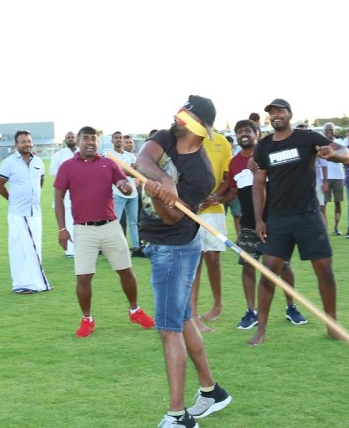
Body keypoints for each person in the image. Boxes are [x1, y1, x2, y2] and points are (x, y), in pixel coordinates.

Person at [136, 95, 232, 427]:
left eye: (184, 114)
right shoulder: (167, 136)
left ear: (197, 125)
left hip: (174, 250)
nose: (176, 117)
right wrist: (164, 182)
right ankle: (211, 391)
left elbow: (174, 218)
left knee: (169, 329)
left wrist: (156, 197)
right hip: (157, 245)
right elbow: (142, 159)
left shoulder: (202, 173)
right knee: (184, 319)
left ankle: (177, 415)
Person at [249, 98, 349, 347]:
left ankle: (332, 326)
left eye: (280, 111)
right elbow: (259, 183)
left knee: (325, 271)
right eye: (272, 112)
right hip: (278, 219)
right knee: (268, 274)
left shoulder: (307, 138)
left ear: (290, 114)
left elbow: (346, 153)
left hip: (308, 216)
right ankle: (261, 331)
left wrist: (332, 153)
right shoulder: (264, 146)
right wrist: (259, 219)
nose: (276, 115)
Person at [53, 126, 155, 338]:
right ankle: (87, 319)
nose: (90, 142)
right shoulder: (67, 166)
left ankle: (135, 310)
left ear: (98, 142)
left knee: (126, 271)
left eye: (94, 139)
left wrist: (126, 187)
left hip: (110, 226)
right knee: (83, 277)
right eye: (86, 138)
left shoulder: (109, 163)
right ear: (78, 142)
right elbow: (58, 198)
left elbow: (124, 184)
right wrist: (62, 228)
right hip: (83, 230)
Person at [225, 120, 306, 331]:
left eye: (248, 131)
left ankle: (291, 307)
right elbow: (233, 191)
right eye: (239, 131)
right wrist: (216, 198)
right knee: (248, 266)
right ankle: (250, 312)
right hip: (248, 225)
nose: (243, 134)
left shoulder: (270, 155)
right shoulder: (234, 163)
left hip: (276, 223)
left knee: (284, 265)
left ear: (257, 134)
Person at [0, 130, 51, 294]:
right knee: (20, 250)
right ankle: (23, 284)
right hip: (18, 213)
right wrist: (11, 199)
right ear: (16, 144)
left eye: (29, 141)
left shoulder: (38, 161)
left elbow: (40, 181)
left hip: (35, 212)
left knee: (35, 247)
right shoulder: (9, 162)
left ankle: (34, 282)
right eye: (23, 141)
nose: (27, 144)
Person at [189, 126, 234, 333]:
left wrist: (215, 197)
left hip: (213, 208)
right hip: (189, 209)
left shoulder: (221, 141)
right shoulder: (185, 138)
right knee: (194, 260)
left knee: (213, 258)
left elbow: (227, 176)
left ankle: (217, 305)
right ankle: (192, 313)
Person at [108, 131, 142, 256]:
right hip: (118, 193)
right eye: (116, 138)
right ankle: (114, 248)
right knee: (115, 222)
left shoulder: (130, 156)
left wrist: (123, 171)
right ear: (112, 140)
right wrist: (128, 170)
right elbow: (112, 172)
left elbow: (137, 172)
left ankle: (136, 248)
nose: (118, 139)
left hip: (133, 193)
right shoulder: (110, 156)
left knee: (133, 222)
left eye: (120, 138)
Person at [50, 131, 79, 258]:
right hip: (65, 194)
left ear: (76, 139)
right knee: (68, 222)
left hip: (80, 193)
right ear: (65, 140)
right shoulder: (60, 154)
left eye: (72, 137)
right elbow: (52, 170)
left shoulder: (82, 152)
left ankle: (84, 248)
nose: (70, 139)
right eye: (68, 137)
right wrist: (67, 173)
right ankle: (70, 250)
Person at [321, 123, 346, 235]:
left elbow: (344, 158)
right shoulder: (320, 143)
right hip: (324, 178)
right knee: (323, 204)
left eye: (331, 130)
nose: (329, 132)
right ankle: (324, 228)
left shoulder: (340, 143)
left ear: (334, 132)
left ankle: (336, 227)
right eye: (327, 130)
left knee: (338, 202)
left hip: (338, 177)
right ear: (324, 132)